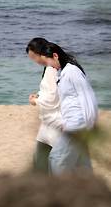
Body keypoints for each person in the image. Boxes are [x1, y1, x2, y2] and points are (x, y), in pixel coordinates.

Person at [39, 41, 98, 174]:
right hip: (72, 123)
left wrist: (90, 124)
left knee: (57, 159)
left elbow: (88, 97)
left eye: (48, 62)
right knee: (81, 164)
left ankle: (60, 192)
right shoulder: (63, 72)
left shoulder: (72, 71)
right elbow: (68, 101)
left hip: (78, 124)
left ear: (55, 56)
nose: (48, 66)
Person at [25, 37, 61, 173]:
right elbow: (51, 92)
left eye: (34, 57)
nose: (35, 61)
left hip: (54, 122)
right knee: (43, 160)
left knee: (46, 161)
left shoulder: (52, 69)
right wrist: (39, 95)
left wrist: (36, 101)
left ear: (41, 52)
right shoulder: (50, 68)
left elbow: (52, 98)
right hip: (49, 122)